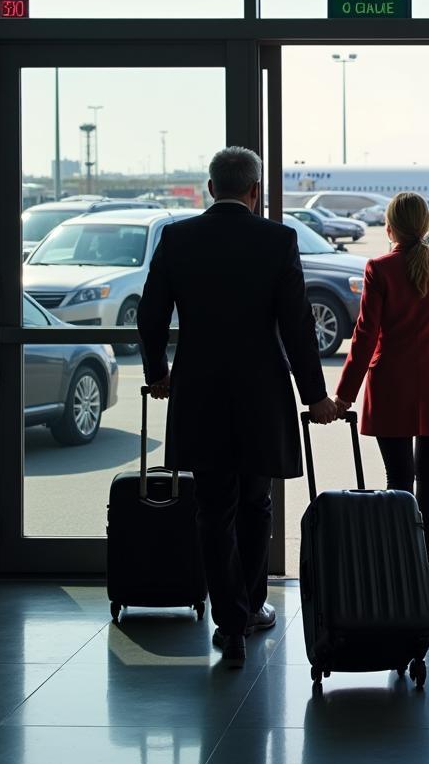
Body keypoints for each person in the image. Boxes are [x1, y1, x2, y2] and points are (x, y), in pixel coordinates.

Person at [137, 146, 338, 669]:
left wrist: (158, 372)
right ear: (255, 192)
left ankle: (228, 618)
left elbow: (151, 315)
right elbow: (297, 327)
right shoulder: (278, 240)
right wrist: (315, 396)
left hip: (198, 390)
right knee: (256, 503)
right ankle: (248, 610)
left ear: (210, 188)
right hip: (260, 394)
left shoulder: (177, 238)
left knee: (211, 508)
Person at [334, 192, 429, 564]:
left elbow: (365, 336)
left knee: (398, 476)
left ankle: (400, 557)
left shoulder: (379, 269)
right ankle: (422, 554)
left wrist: (344, 395)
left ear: (390, 227)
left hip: (391, 384)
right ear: (425, 225)